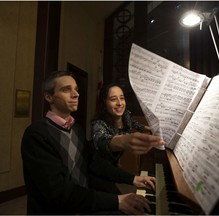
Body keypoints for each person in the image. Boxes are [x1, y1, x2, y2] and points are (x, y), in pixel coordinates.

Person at [21, 70, 156, 215]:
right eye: (67, 89)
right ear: (49, 97)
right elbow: (59, 193)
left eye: (76, 90)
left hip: (82, 204)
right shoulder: (36, 134)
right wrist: (117, 201)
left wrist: (133, 179)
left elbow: (93, 163)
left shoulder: (76, 129)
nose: (76, 94)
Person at [91, 83, 165, 167]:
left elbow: (133, 122)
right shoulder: (99, 124)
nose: (119, 103)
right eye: (113, 99)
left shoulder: (126, 115)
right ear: (104, 103)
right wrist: (123, 141)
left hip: (115, 166)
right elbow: (100, 141)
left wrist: (147, 127)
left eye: (122, 98)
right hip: (100, 169)